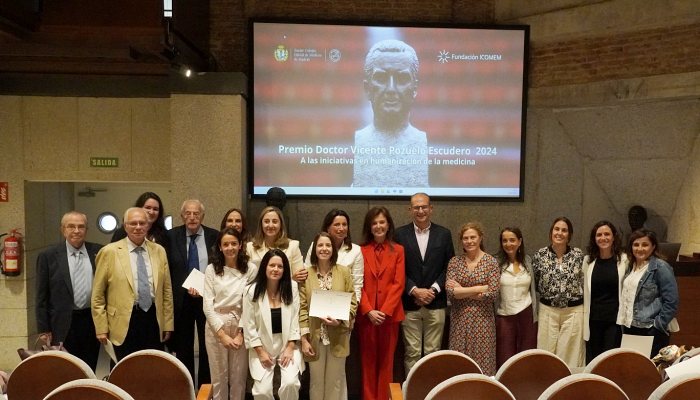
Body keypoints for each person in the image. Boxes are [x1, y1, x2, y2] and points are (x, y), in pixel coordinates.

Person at [92, 207, 174, 360]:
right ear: (125, 226)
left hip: (153, 319)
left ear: (148, 226)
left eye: (142, 223)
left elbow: (166, 291)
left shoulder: (159, 251)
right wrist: (101, 327)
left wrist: (168, 324)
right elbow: (98, 295)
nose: (138, 227)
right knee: (123, 371)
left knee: (153, 366)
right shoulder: (109, 252)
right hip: (123, 321)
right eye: (133, 223)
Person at [352, 39, 429, 187]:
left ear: (415, 89)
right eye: (381, 78)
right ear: (367, 89)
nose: (391, 89)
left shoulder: (421, 141)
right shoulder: (359, 140)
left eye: (402, 78)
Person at [394, 193, 454, 374]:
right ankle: (412, 392)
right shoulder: (399, 234)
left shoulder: (443, 234)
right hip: (409, 303)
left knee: (433, 353)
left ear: (431, 208)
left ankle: (430, 392)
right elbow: (396, 269)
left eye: (424, 207)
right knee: (411, 353)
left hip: (436, 303)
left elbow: (449, 266)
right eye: (416, 207)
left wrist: (433, 290)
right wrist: (413, 290)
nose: (420, 211)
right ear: (410, 210)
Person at [36, 211, 102, 370]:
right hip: (61, 323)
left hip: (91, 321)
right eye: (71, 226)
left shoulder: (99, 252)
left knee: (89, 367)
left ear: (87, 229)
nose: (76, 231)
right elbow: (41, 296)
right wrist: (43, 328)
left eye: (81, 226)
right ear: (63, 230)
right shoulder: (48, 256)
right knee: (64, 369)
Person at [166, 199, 218, 387]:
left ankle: (205, 387)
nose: (192, 217)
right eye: (188, 213)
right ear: (182, 216)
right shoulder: (171, 236)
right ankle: (185, 386)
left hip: (207, 298)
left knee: (208, 345)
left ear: (202, 216)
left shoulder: (215, 236)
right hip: (182, 299)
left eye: (196, 213)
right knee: (184, 345)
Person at [300, 232, 357, 400]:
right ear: (314, 249)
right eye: (320, 245)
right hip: (314, 336)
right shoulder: (307, 274)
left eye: (328, 245)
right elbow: (302, 307)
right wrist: (304, 339)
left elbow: (353, 301)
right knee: (316, 382)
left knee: (335, 381)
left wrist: (340, 319)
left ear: (333, 249)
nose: (324, 249)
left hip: (338, 334)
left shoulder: (344, 272)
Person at [203, 228, 257, 400]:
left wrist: (241, 333)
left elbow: (250, 303)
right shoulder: (212, 269)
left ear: (240, 245)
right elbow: (207, 305)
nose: (230, 247)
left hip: (241, 322)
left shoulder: (250, 269)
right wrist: (221, 334)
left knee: (238, 378)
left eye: (234, 243)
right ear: (220, 247)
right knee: (219, 377)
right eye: (225, 244)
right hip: (215, 324)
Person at [242, 249, 303, 400]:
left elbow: (295, 319)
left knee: (291, 383)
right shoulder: (251, 291)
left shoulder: (292, 287)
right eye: (272, 265)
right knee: (262, 391)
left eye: (280, 266)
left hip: (287, 343)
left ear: (285, 269)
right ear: (264, 267)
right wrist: (261, 352)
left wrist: (290, 347)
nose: (276, 269)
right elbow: (249, 326)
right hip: (261, 345)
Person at [358, 206, 405, 400]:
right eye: (374, 223)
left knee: (387, 363)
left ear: (388, 225)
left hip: (389, 316)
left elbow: (398, 283)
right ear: (369, 227)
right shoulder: (359, 251)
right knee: (367, 364)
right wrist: (369, 310)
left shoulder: (399, 250)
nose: (378, 226)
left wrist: (384, 311)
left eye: (382, 222)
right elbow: (355, 284)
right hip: (366, 317)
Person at [446, 222, 499, 376]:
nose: (469, 241)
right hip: (460, 321)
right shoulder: (455, 262)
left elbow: (493, 293)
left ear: (480, 238)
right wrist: (479, 288)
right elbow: (451, 292)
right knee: (459, 362)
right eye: (465, 238)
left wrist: (462, 290)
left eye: (473, 237)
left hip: (483, 322)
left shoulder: (491, 262)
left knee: (483, 364)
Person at [532, 217, 585, 368]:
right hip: (548, 310)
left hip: (573, 311)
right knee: (546, 351)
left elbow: (583, 281)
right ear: (551, 232)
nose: (560, 233)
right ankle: (547, 385)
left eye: (564, 230)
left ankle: (569, 386)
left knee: (571, 353)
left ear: (569, 234)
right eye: (557, 229)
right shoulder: (540, 255)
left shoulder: (578, 255)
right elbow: (536, 281)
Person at [617, 229, 679, 358]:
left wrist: (658, 324)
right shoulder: (630, 266)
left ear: (653, 246)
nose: (640, 249)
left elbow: (671, 300)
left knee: (651, 370)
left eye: (645, 245)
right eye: (636, 244)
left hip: (650, 329)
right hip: (630, 326)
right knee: (634, 367)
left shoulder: (660, 267)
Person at [583, 221, 627, 364]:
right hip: (593, 320)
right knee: (593, 360)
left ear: (614, 237)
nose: (603, 238)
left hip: (614, 321)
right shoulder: (588, 261)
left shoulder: (624, 260)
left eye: (607, 234)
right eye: (599, 235)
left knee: (610, 360)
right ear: (594, 239)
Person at [495, 227, 537, 369]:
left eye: (512, 240)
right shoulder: (496, 263)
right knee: (504, 357)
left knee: (526, 356)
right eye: (505, 241)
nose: (508, 244)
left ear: (519, 242)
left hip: (526, 314)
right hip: (504, 315)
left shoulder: (528, 261)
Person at [304, 209, 364, 302]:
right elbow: (307, 274)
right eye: (337, 225)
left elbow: (357, 285)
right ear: (328, 228)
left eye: (344, 224)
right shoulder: (315, 246)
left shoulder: (355, 251)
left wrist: (351, 310)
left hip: (342, 307)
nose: (341, 228)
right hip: (316, 303)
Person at [247, 206, 304, 282]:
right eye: (266, 221)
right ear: (261, 224)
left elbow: (300, 278)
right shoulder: (250, 247)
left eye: (274, 221)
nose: (270, 225)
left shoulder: (293, 246)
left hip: (285, 292)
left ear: (281, 225)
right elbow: (247, 279)